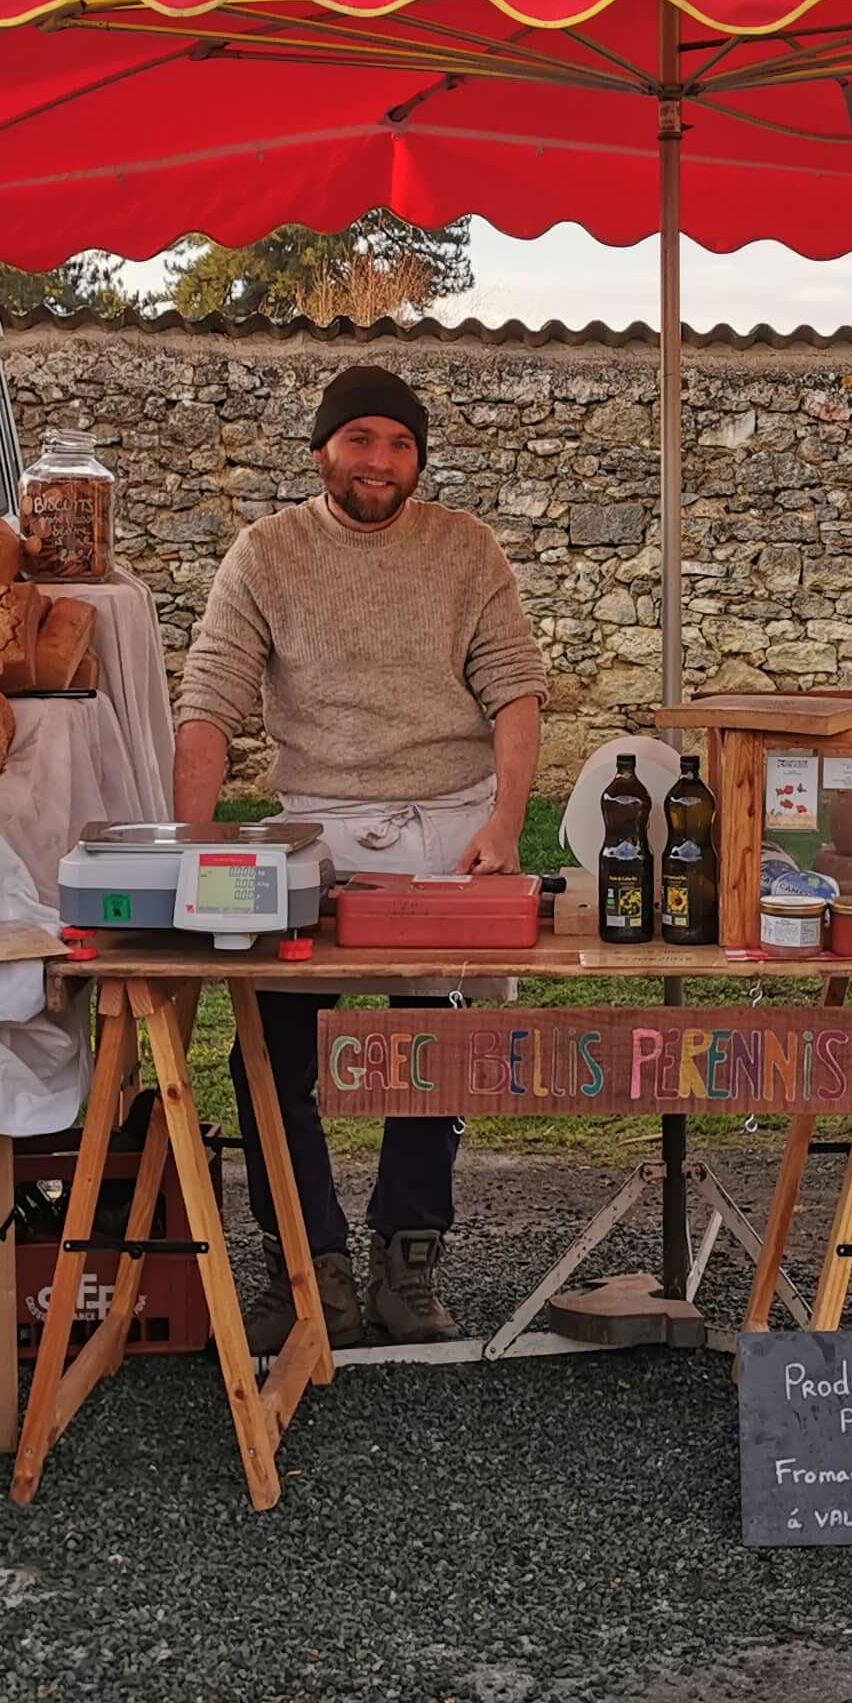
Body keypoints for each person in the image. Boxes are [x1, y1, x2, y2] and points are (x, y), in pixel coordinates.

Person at [171, 364, 546, 1349]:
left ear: (418, 459)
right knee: (272, 1055)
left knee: (440, 1056)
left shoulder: (465, 551)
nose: (380, 462)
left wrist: (504, 826)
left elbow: (515, 691)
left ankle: (406, 1263)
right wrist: (189, 834)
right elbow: (210, 694)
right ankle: (309, 1265)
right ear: (322, 450)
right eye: (361, 440)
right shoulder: (267, 552)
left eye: (399, 444)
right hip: (317, 828)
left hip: (449, 830)